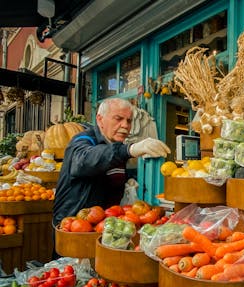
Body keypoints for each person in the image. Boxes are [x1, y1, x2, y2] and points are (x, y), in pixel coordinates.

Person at [52, 97, 170, 230]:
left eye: (129, 121)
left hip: (104, 227)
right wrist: (130, 149)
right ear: (100, 119)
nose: (125, 125)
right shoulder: (83, 140)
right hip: (73, 227)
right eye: (118, 119)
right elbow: (86, 160)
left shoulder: (116, 146)